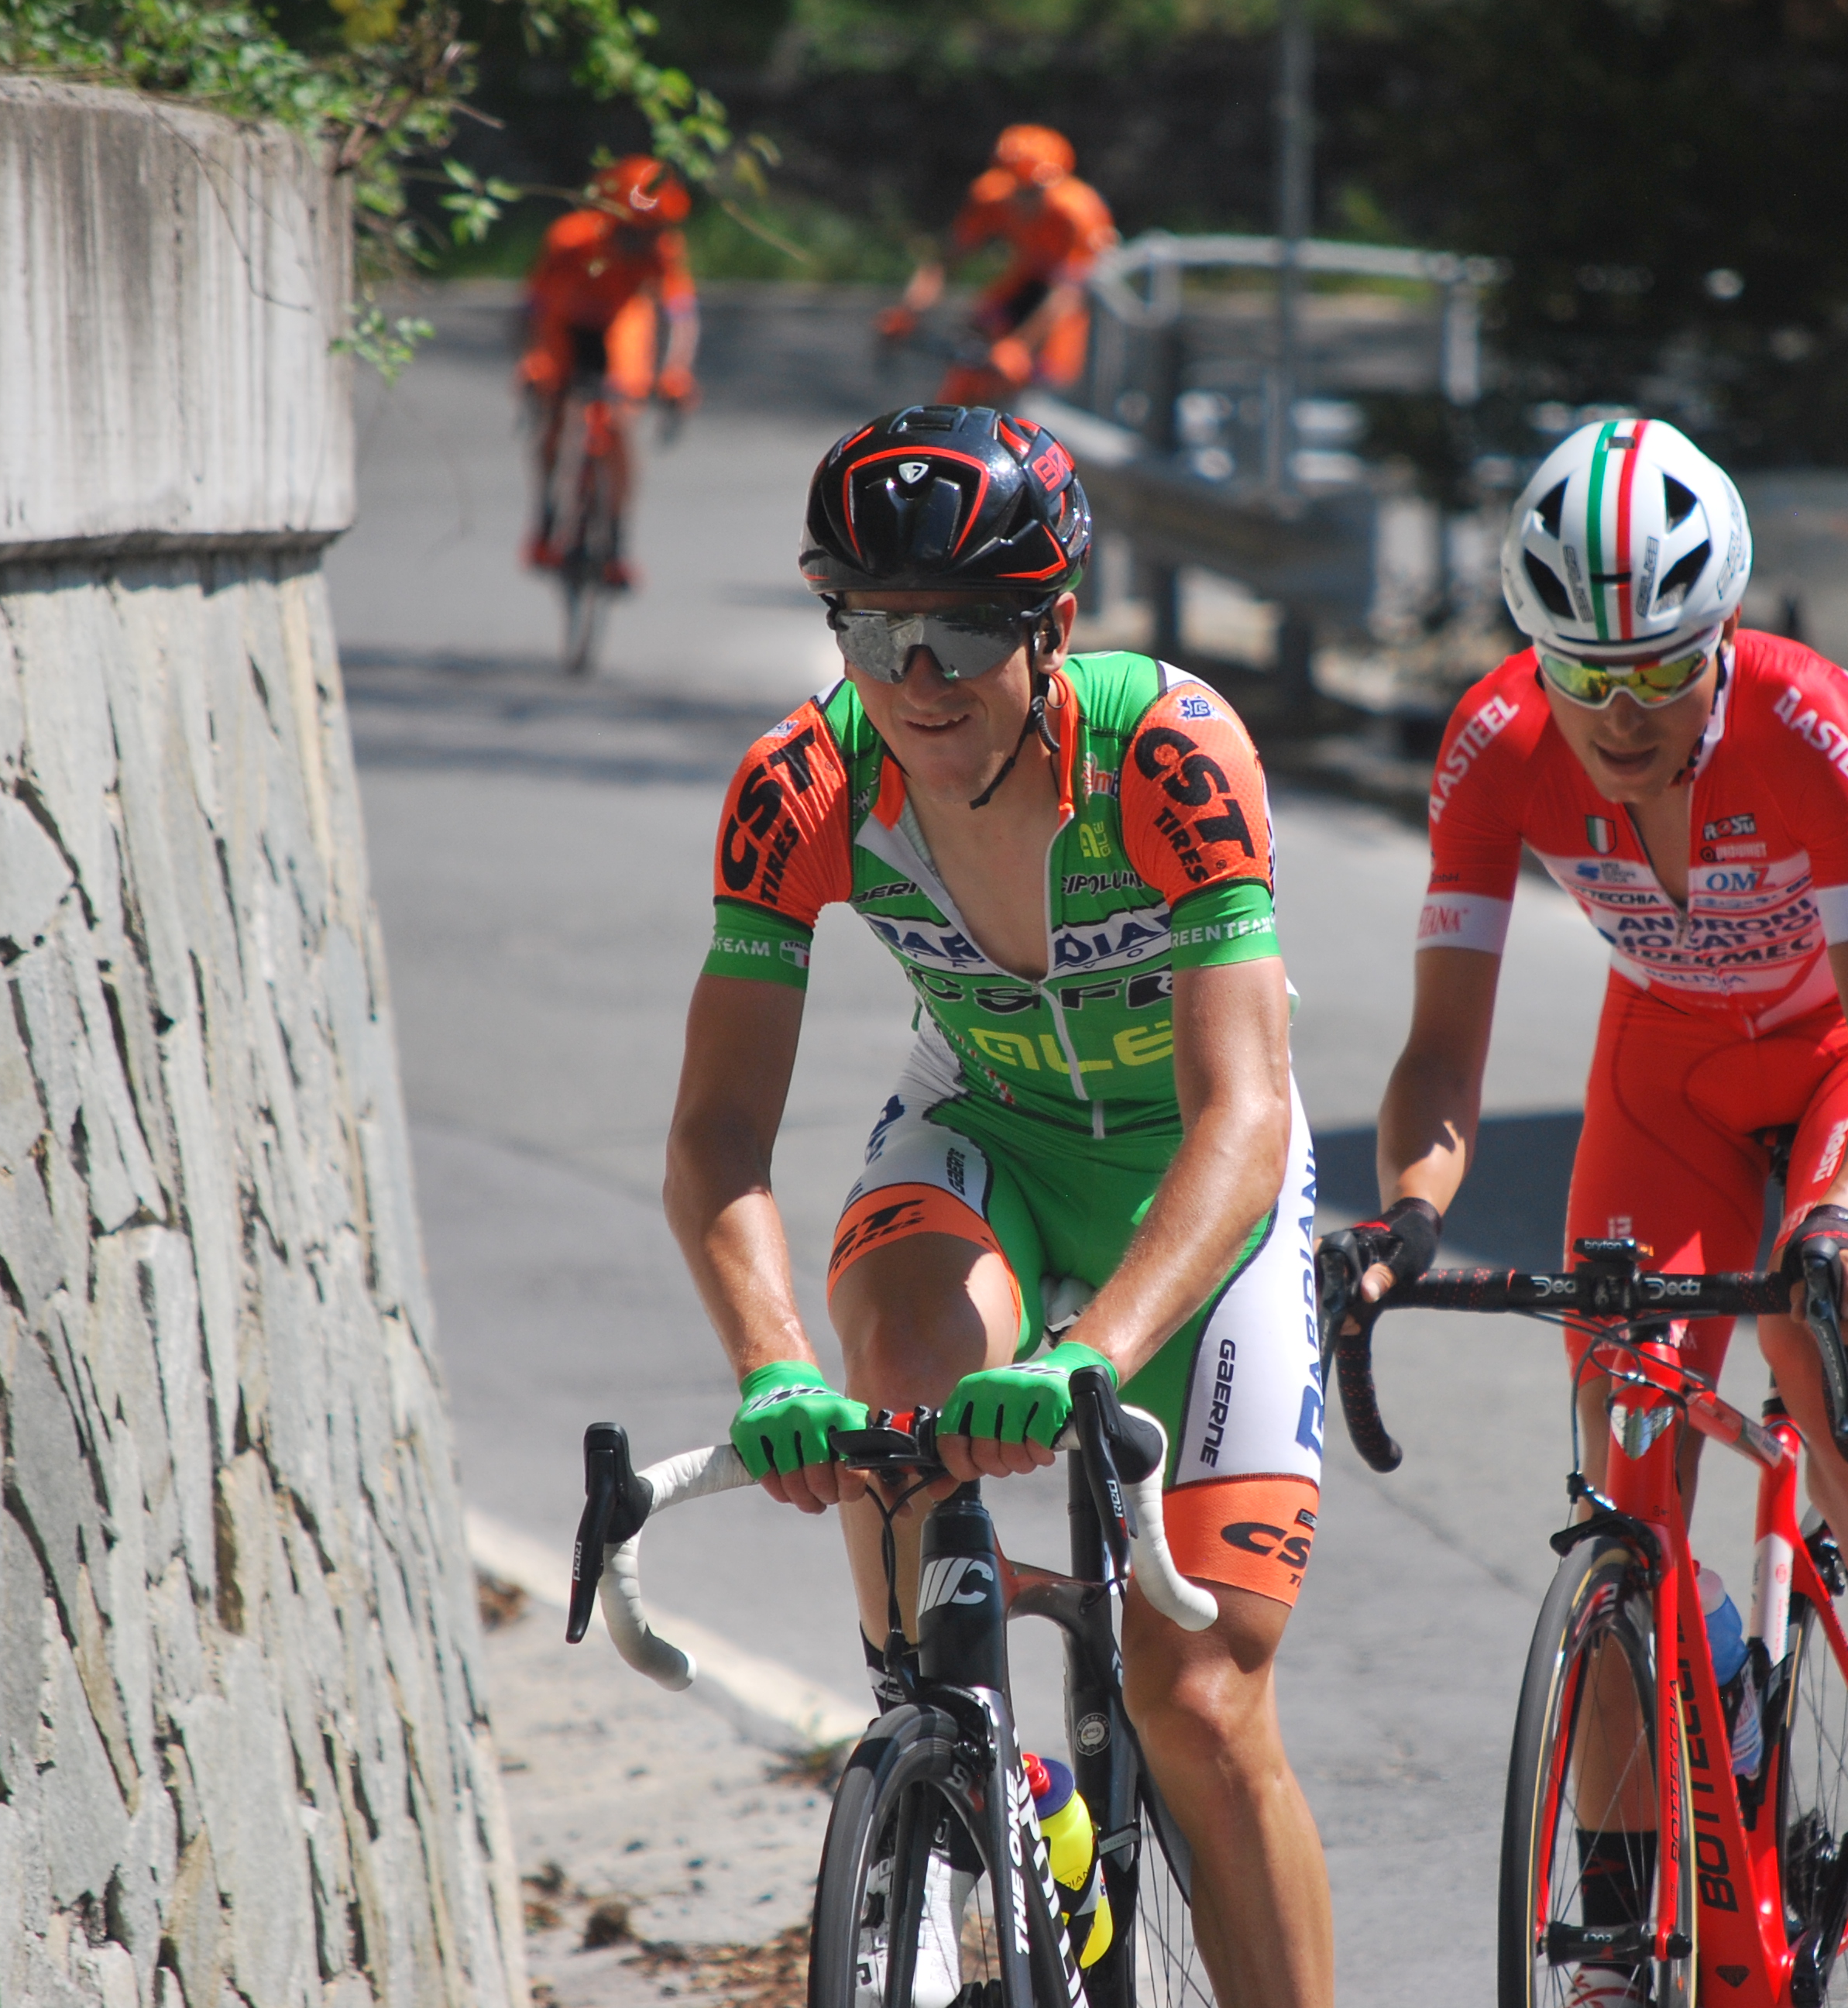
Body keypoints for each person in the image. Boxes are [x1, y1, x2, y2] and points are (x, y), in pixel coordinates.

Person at [665, 404, 1333, 2007]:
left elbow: (1242, 1110)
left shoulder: (1169, 752)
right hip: (986, 1134)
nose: (919, 677)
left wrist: (1093, 1345)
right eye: (875, 628)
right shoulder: (800, 780)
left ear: (1054, 624)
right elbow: (717, 1128)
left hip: (1195, 1180)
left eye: (966, 628)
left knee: (1204, 1698)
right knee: (896, 1362)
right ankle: (948, 1742)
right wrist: (771, 1367)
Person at [1330, 419, 1848, 1982]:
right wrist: (1407, 1217)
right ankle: (1618, 1921)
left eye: (1656, 669)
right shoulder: (1493, 747)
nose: (1615, 713)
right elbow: (1437, 1051)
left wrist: (1837, 1229)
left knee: (1828, 1346)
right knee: (1622, 1470)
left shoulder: (1809, 728)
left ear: (1725, 635)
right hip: (1668, 1072)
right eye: (1579, 672)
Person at [517, 155, 701, 589]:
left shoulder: (663, 250)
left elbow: (681, 315)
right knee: (554, 412)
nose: (645, 239)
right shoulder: (568, 239)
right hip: (565, 327)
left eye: (654, 230)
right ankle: (545, 519)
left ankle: (616, 542)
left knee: (618, 420)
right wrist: (530, 359)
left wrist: (677, 371)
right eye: (636, 229)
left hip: (621, 327)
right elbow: (534, 306)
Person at [878, 124, 1117, 408]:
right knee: (971, 357)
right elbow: (946, 260)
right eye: (1020, 190)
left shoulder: (1079, 212)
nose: (1028, 201)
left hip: (1072, 300)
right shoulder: (990, 195)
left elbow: (1069, 292)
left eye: (1037, 191)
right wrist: (910, 310)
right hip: (1025, 281)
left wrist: (1021, 344)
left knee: (1044, 372)